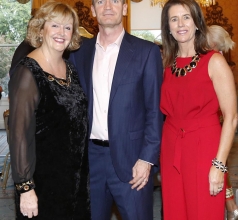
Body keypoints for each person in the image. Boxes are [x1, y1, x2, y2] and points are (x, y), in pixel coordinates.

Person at [69, 0, 163, 219]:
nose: (108, 6)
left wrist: (147, 159)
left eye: (115, 1)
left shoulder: (146, 52)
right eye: (101, 1)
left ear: (124, 8)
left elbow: (154, 111)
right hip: (91, 161)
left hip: (133, 162)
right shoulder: (78, 53)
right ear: (93, 10)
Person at [8, 2, 91, 219]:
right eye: (55, 25)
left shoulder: (70, 68)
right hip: (42, 184)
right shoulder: (28, 72)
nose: (61, 33)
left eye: (67, 27)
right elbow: (18, 136)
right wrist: (25, 189)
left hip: (75, 181)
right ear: (41, 28)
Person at [160, 0, 238, 219]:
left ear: (197, 23)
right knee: (175, 212)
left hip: (205, 149)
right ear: (168, 27)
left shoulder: (214, 62)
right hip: (172, 147)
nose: (180, 24)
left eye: (186, 17)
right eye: (173, 19)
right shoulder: (167, 63)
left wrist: (219, 165)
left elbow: (231, 117)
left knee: (203, 212)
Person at [207, 25, 238, 220]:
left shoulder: (215, 61)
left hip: (217, 124)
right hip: (217, 122)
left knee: (218, 166)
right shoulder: (215, 59)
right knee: (220, 165)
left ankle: (230, 206)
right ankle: (231, 207)